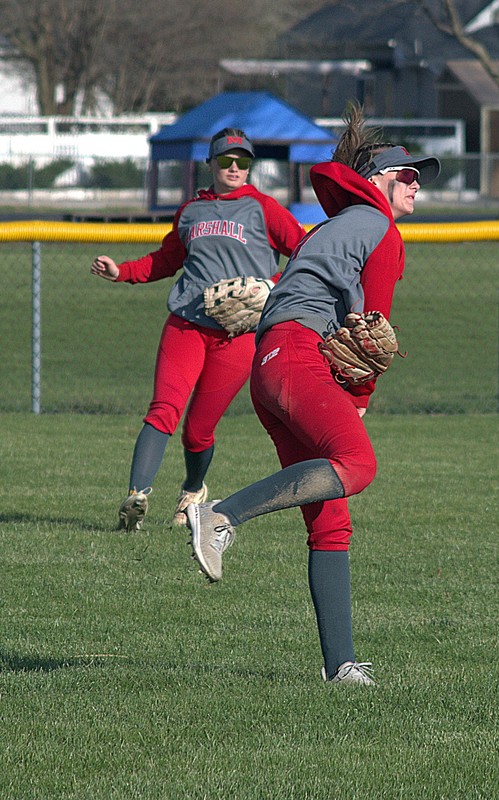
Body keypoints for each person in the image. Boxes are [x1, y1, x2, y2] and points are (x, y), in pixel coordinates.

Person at [185, 103, 441, 686]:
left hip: (270, 367)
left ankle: (340, 666)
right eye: (406, 174)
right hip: (298, 360)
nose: (416, 182)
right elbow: (373, 329)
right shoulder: (380, 229)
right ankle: (220, 515)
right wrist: (361, 397)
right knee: (358, 463)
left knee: (331, 524)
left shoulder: (332, 227)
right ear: (375, 182)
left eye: (418, 174)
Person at [90, 128, 306, 531]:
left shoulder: (264, 209)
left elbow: (304, 252)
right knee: (163, 410)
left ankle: (193, 489)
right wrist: (122, 272)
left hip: (238, 337)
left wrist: (273, 284)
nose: (235, 167)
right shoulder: (191, 210)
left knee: (198, 431)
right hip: (186, 325)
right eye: (226, 160)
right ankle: (136, 496)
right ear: (210, 164)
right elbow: (167, 259)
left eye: (243, 161)